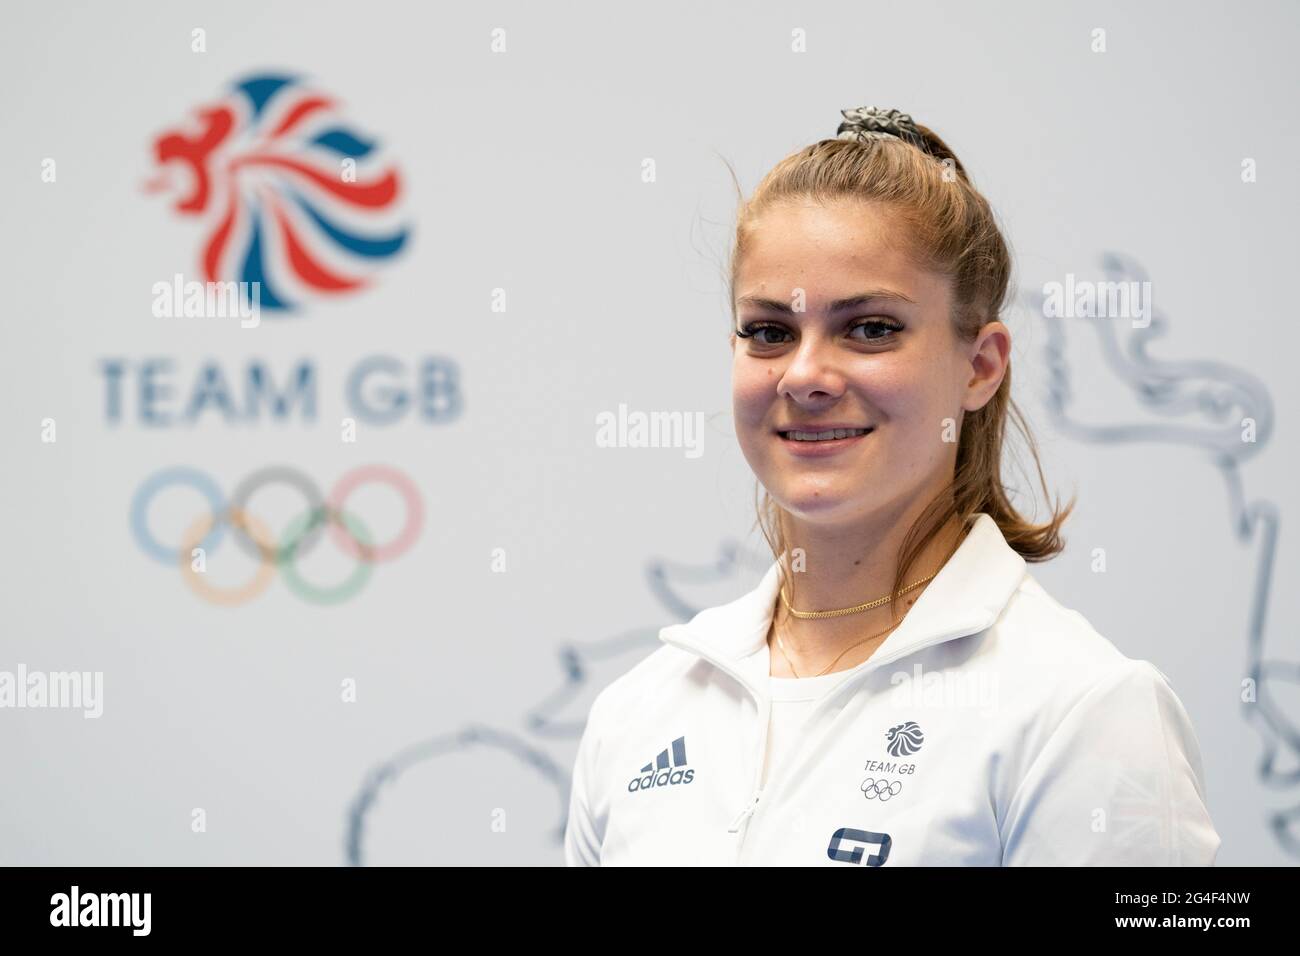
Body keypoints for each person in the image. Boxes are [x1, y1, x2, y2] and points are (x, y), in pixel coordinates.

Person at [564, 106, 1221, 866]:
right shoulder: (642, 712)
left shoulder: (1086, 712)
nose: (806, 375)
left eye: (870, 328)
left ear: (981, 366)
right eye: (770, 331)